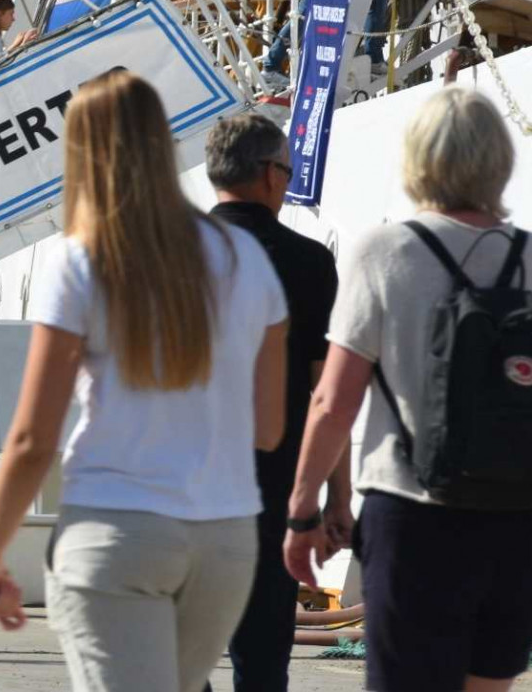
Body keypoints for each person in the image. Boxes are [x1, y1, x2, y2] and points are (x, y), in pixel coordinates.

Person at [0, 71, 289, 692]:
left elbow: (35, 437)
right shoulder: (246, 259)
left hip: (117, 529)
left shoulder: (83, 258)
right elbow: (270, 428)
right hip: (225, 538)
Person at [284, 88, 532, 691]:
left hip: (415, 519)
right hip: (523, 522)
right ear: (499, 160)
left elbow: (332, 402)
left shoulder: (385, 252)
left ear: (416, 158)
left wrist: (304, 514)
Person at [202, 114, 351, 692]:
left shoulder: (169, 251)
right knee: (263, 662)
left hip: (180, 481)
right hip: (271, 487)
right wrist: (336, 497)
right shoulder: (308, 262)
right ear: (268, 175)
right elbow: (325, 392)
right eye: (287, 172)